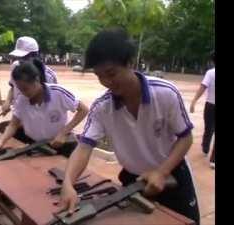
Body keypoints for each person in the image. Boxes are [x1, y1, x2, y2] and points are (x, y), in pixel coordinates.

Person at [58, 28, 200, 225]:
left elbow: (186, 137)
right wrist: (68, 183)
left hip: (172, 175)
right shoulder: (102, 107)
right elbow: (83, 147)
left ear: (131, 63)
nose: (107, 82)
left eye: (111, 73)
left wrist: (161, 172)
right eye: (100, 76)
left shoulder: (165, 93)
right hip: (134, 182)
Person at [0, 59, 88, 157]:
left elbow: (84, 110)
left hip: (62, 145)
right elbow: (13, 125)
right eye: (20, 89)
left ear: (37, 80)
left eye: (26, 89)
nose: (23, 93)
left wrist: (63, 133)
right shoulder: (22, 100)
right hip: (39, 146)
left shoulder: (58, 92)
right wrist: (1, 142)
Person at [1, 36, 58, 117]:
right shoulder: (16, 67)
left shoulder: (49, 76)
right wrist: (8, 102)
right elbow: (13, 87)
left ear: (34, 55)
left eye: (24, 57)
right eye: (19, 58)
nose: (21, 61)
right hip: (18, 116)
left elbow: (51, 101)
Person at [190, 51, 215, 169]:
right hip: (210, 105)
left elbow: (203, 87)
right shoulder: (210, 73)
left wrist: (194, 101)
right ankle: (213, 159)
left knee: (208, 128)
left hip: (210, 106)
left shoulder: (210, 73)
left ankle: (206, 148)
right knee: (208, 129)